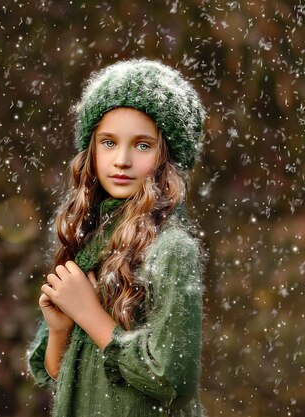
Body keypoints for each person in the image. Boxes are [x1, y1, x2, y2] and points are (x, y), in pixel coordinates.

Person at [26, 59, 207, 417]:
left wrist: (90, 315)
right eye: (109, 142)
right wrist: (60, 331)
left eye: (142, 146)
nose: (121, 160)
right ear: (91, 150)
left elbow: (173, 382)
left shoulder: (171, 250)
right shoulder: (90, 240)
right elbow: (59, 377)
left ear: (167, 156)